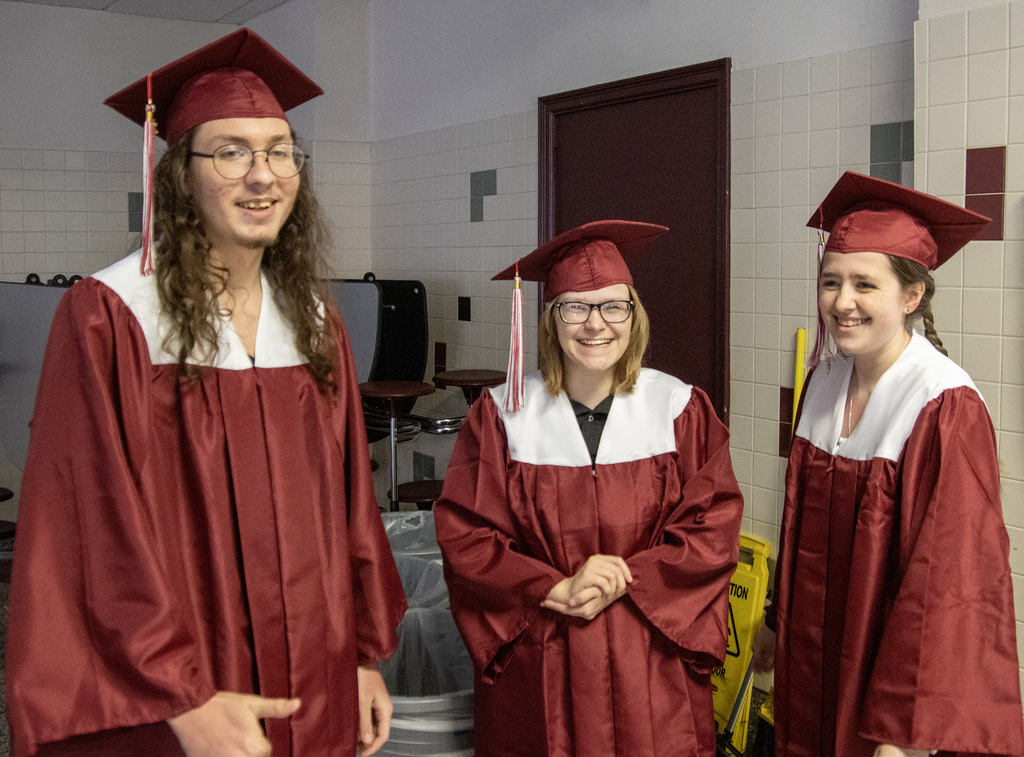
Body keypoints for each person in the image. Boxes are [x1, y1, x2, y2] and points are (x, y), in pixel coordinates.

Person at [5, 29, 406, 757]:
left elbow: (351, 506)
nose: (263, 175)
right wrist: (178, 697)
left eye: (279, 150)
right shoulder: (112, 314)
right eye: (230, 151)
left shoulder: (315, 320)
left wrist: (362, 655)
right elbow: (87, 526)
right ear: (180, 173)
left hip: (317, 676)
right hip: (187, 689)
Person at [433, 220, 745, 757]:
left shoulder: (678, 409)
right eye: (575, 307)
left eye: (612, 307)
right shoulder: (501, 417)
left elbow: (712, 529)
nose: (595, 324)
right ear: (551, 320)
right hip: (542, 663)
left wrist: (625, 578)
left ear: (634, 316)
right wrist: (556, 589)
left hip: (648, 660)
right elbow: (467, 538)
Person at [752, 172, 1024, 757]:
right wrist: (777, 617)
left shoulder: (942, 405)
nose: (842, 303)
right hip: (812, 658)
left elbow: (951, 583)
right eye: (831, 283)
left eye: (864, 285)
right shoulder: (823, 380)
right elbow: (797, 520)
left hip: (885, 692)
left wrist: (904, 732)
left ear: (911, 296)